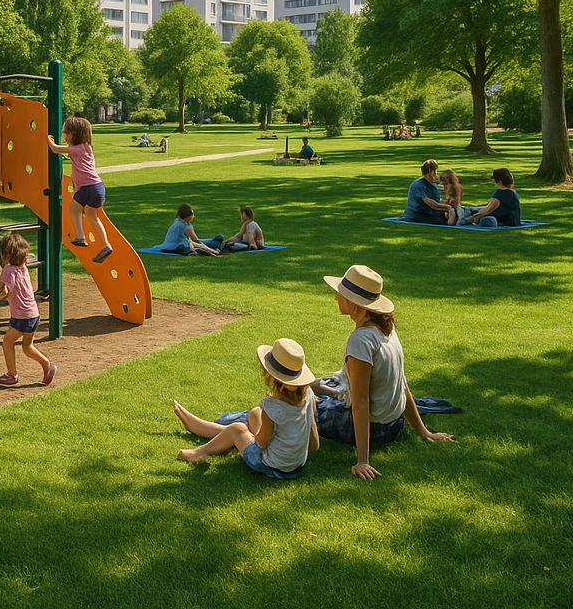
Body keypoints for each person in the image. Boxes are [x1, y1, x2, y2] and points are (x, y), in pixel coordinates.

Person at [310, 265, 455, 481]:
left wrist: (363, 461)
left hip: (375, 430)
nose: (335, 298)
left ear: (354, 302)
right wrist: (424, 432)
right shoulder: (387, 329)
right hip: (394, 425)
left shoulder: (361, 341)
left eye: (339, 294)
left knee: (298, 405)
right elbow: (401, 384)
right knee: (320, 387)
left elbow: (360, 403)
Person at [172, 338, 319, 478]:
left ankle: (200, 452)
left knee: (237, 429)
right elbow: (314, 444)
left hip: (271, 466)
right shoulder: (309, 395)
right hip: (297, 467)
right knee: (255, 414)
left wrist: (251, 439)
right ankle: (206, 429)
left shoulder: (272, 406)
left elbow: (261, 443)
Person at [0, 233, 57, 388]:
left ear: (5, 254)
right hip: (33, 314)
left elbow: (2, 291)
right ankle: (47, 366)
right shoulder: (23, 268)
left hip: (21, 317)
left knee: (7, 341)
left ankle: (11, 375)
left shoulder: (8, 270)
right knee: (27, 347)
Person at [47, 116, 113, 263]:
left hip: (87, 187)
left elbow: (55, 149)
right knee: (93, 216)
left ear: (74, 134)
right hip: (98, 187)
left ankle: (80, 236)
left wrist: (48, 139)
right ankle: (106, 244)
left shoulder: (75, 149)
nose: (64, 135)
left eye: (65, 132)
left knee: (74, 209)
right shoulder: (87, 148)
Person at [402, 159, 456, 225]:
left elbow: (437, 201)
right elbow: (432, 204)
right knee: (441, 220)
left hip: (430, 212)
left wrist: (449, 203)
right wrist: (448, 208)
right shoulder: (418, 185)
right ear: (430, 171)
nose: (436, 174)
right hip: (417, 215)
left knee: (457, 212)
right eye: (434, 171)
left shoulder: (432, 185)